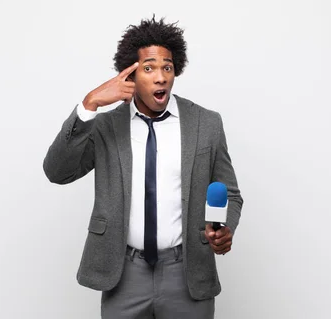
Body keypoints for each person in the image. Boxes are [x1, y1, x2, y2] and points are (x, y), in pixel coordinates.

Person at [43, 15, 243, 319]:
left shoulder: (206, 123)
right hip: (124, 274)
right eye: (149, 68)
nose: (161, 77)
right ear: (131, 75)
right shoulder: (106, 126)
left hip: (187, 272)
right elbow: (57, 172)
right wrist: (89, 105)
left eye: (167, 67)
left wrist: (224, 228)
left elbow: (230, 193)